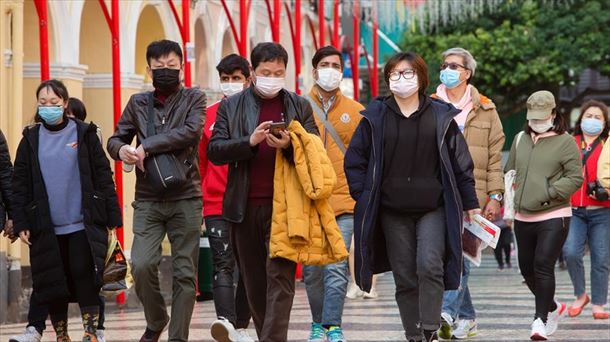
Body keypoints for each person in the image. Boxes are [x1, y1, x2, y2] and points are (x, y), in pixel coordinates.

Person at [344, 52, 480, 342]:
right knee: (405, 275)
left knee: (430, 264)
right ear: (387, 80)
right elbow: (355, 160)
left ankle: (429, 327)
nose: (401, 79)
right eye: (394, 74)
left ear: (420, 78)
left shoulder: (441, 115)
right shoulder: (374, 117)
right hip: (391, 210)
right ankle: (413, 334)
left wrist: (471, 204)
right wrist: (365, 195)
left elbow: (461, 164)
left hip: (433, 207)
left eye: (407, 73)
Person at [207, 42, 319, 342]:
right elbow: (215, 150)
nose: (273, 77)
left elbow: (315, 150)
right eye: (266, 72)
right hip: (243, 207)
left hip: (287, 207)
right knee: (255, 283)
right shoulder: (231, 107)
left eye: (279, 72)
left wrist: (291, 145)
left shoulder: (299, 105)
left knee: (280, 278)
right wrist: (249, 142)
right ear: (253, 73)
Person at [107, 39, 205, 342]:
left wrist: (145, 145)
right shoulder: (138, 102)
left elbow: (190, 132)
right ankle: (157, 318)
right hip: (148, 197)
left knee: (185, 272)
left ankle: (177, 337)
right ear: (148, 69)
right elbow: (115, 138)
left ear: (181, 67)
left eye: (171, 66)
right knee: (141, 263)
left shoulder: (194, 98)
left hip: (186, 195)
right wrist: (122, 149)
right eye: (159, 67)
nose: (165, 71)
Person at [11, 79, 121, 342]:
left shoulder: (84, 134)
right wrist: (21, 221)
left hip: (82, 222)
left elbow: (103, 175)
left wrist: (112, 217)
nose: (48, 107)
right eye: (43, 103)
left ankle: (91, 332)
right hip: (46, 224)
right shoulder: (30, 139)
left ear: (65, 103)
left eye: (54, 102)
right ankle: (61, 335)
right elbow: (20, 184)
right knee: (52, 280)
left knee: (85, 275)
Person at [432, 47, 505, 340]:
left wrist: (495, 195)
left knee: (459, 255)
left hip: (472, 195)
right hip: (437, 193)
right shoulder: (430, 105)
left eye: (454, 65)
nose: (447, 69)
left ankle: (447, 311)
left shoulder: (487, 110)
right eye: (444, 64)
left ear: (467, 73)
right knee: (444, 255)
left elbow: (495, 159)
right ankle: (467, 317)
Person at [504, 90, 583, 340]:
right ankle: (552, 306)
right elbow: (511, 171)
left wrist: (548, 192)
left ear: (552, 113)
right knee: (526, 269)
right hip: (522, 215)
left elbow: (575, 177)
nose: (536, 122)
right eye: (532, 118)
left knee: (542, 266)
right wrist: (507, 202)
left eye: (541, 117)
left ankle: (540, 320)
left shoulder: (566, 142)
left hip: (554, 213)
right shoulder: (519, 139)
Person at [301, 45, 364, 342]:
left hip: (343, 201)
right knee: (312, 271)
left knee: (337, 269)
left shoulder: (355, 111)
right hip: (308, 201)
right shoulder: (298, 107)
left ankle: (332, 325)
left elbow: (364, 157)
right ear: (314, 71)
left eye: (335, 65)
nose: (330, 70)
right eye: (324, 64)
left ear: (341, 71)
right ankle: (317, 324)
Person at [201, 54, 254, 342]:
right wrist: (202, 196)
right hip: (216, 201)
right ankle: (226, 322)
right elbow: (202, 161)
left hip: (250, 202)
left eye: (236, 78)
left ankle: (242, 325)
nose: (230, 84)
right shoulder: (208, 115)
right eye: (225, 79)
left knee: (248, 264)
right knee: (223, 262)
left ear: (248, 80)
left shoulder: (257, 113)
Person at [563, 100, 610, 320]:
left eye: (597, 117)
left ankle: (599, 303)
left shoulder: (608, 143)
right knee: (571, 252)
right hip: (574, 210)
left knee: (601, 258)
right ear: (580, 119)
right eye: (588, 116)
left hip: (602, 210)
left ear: (605, 122)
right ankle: (581, 295)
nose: (592, 120)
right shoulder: (569, 142)